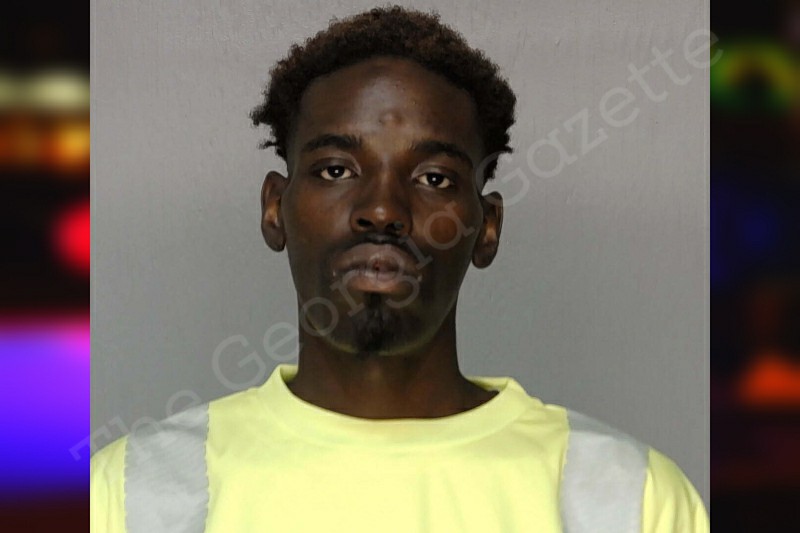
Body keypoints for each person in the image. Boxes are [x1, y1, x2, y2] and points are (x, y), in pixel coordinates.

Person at [90, 6, 708, 532]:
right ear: (275, 208)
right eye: (336, 170)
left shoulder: (631, 499)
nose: (383, 210)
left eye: (434, 178)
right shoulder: (130, 494)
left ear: (487, 227)